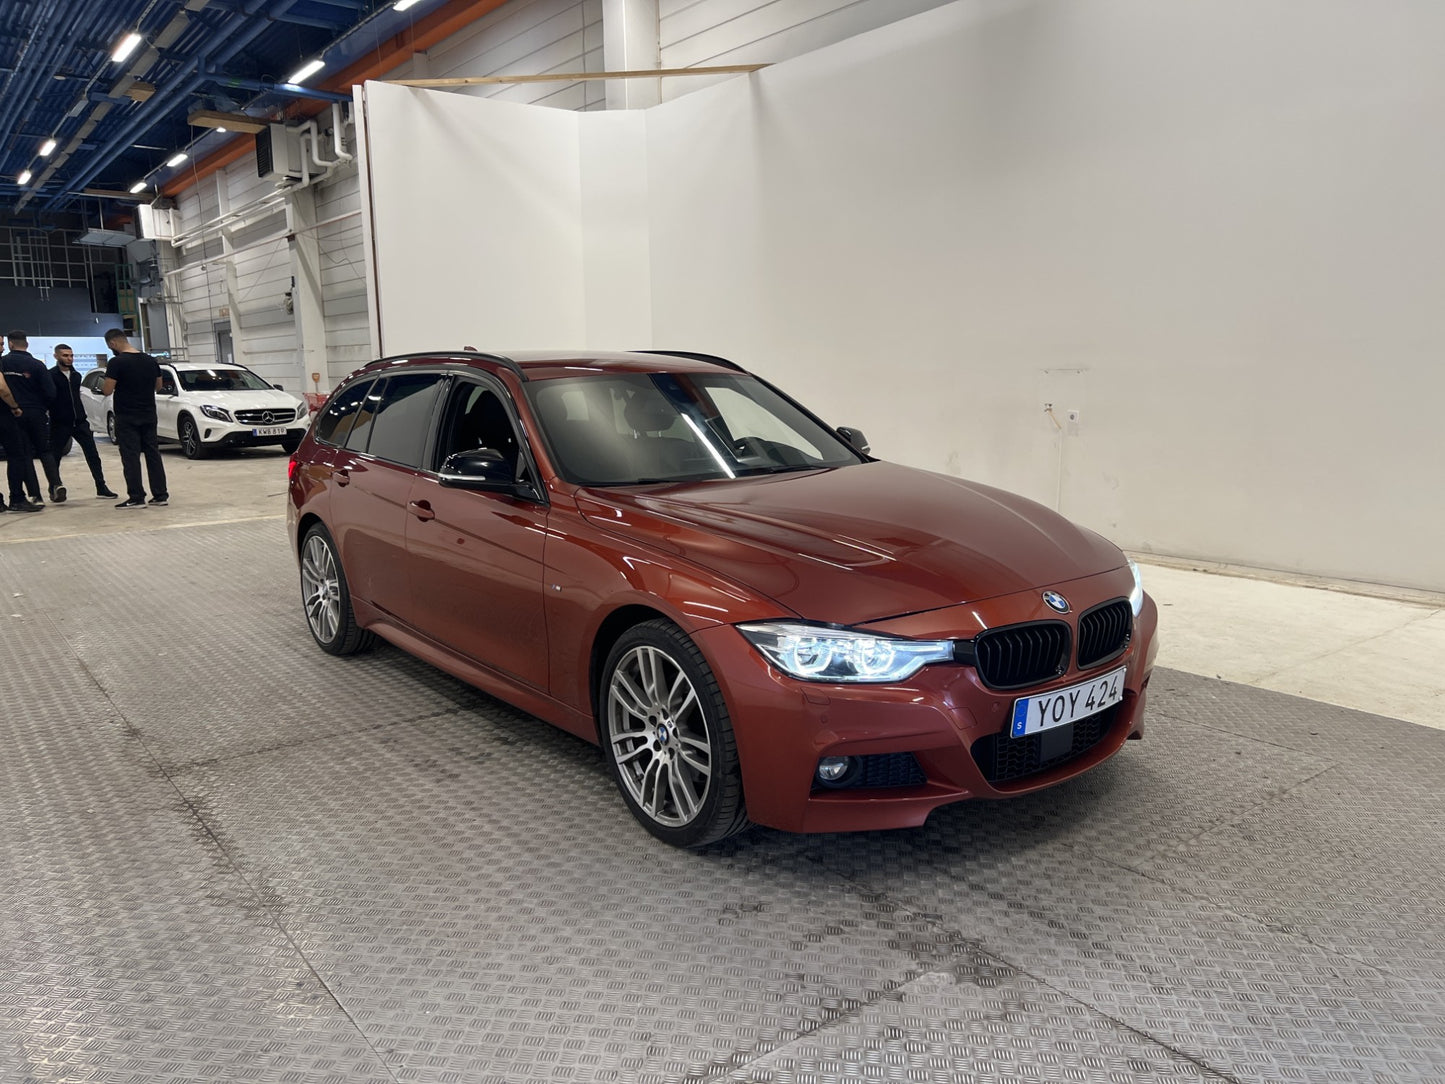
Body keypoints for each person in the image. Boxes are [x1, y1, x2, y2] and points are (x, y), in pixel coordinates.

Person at [101, 328, 168, 509]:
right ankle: (160, 495)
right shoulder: (150, 360)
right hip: (148, 414)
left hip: (127, 415)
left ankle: (136, 497)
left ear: (113, 343)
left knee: (130, 456)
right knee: (153, 454)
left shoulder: (117, 362)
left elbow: (107, 390)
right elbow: (159, 386)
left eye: (110, 346)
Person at [0, 330, 66, 506]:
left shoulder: (3, 363)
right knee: (44, 450)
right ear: (26, 344)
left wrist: (14, 405)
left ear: (10, 344)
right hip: (36, 412)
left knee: (24, 454)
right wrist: (42, 406)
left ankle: (35, 495)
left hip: (12, 413)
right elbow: (51, 392)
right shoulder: (37, 365)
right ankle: (55, 484)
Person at [49, 344, 118, 499]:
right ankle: (55, 487)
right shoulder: (50, 376)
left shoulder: (76, 376)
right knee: (55, 457)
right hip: (60, 423)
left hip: (80, 422)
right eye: (65, 355)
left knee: (92, 454)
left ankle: (101, 486)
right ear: (56, 356)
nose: (69, 358)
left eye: (71, 355)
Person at [0, 369, 41, 513]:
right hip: (3, 417)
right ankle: (17, 499)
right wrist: (14, 406)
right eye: (0, 345)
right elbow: (2, 388)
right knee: (17, 455)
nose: (2, 349)